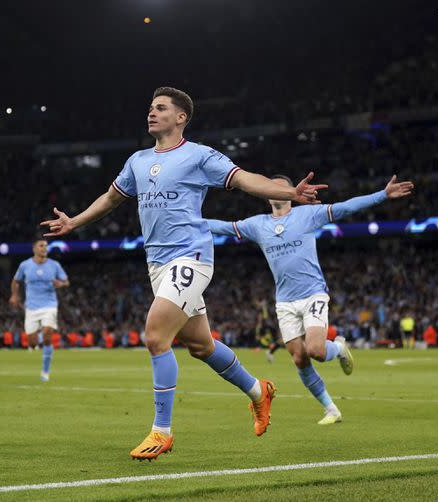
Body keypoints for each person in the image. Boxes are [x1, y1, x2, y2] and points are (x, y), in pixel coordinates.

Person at [40, 87, 327, 461]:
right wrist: (74, 222)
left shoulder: (198, 155)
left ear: (181, 118)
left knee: (155, 334)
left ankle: (162, 431)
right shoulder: (138, 161)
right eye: (150, 107)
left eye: (160, 108)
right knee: (201, 346)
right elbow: (112, 198)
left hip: (191, 256)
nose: (151, 113)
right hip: (157, 264)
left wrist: (286, 191)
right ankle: (259, 391)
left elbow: (244, 179)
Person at [207, 174, 413, 424]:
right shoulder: (257, 225)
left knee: (315, 349)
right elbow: (224, 227)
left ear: (291, 193)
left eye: (281, 187)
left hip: (312, 293)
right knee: (299, 358)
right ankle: (331, 409)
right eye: (271, 188)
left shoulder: (307, 214)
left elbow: (345, 207)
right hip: (284, 302)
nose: (276, 191)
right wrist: (188, 221)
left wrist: (382, 195)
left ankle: (338, 348)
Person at [9, 239, 70, 382]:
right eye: (41, 246)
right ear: (34, 249)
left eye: (46, 246)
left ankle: (45, 372)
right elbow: (16, 281)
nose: (44, 248)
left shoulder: (54, 265)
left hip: (49, 304)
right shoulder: (25, 265)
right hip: (31, 307)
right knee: (32, 343)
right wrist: (14, 295)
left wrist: (60, 284)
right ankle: (36, 341)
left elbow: (66, 281)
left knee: (48, 335)